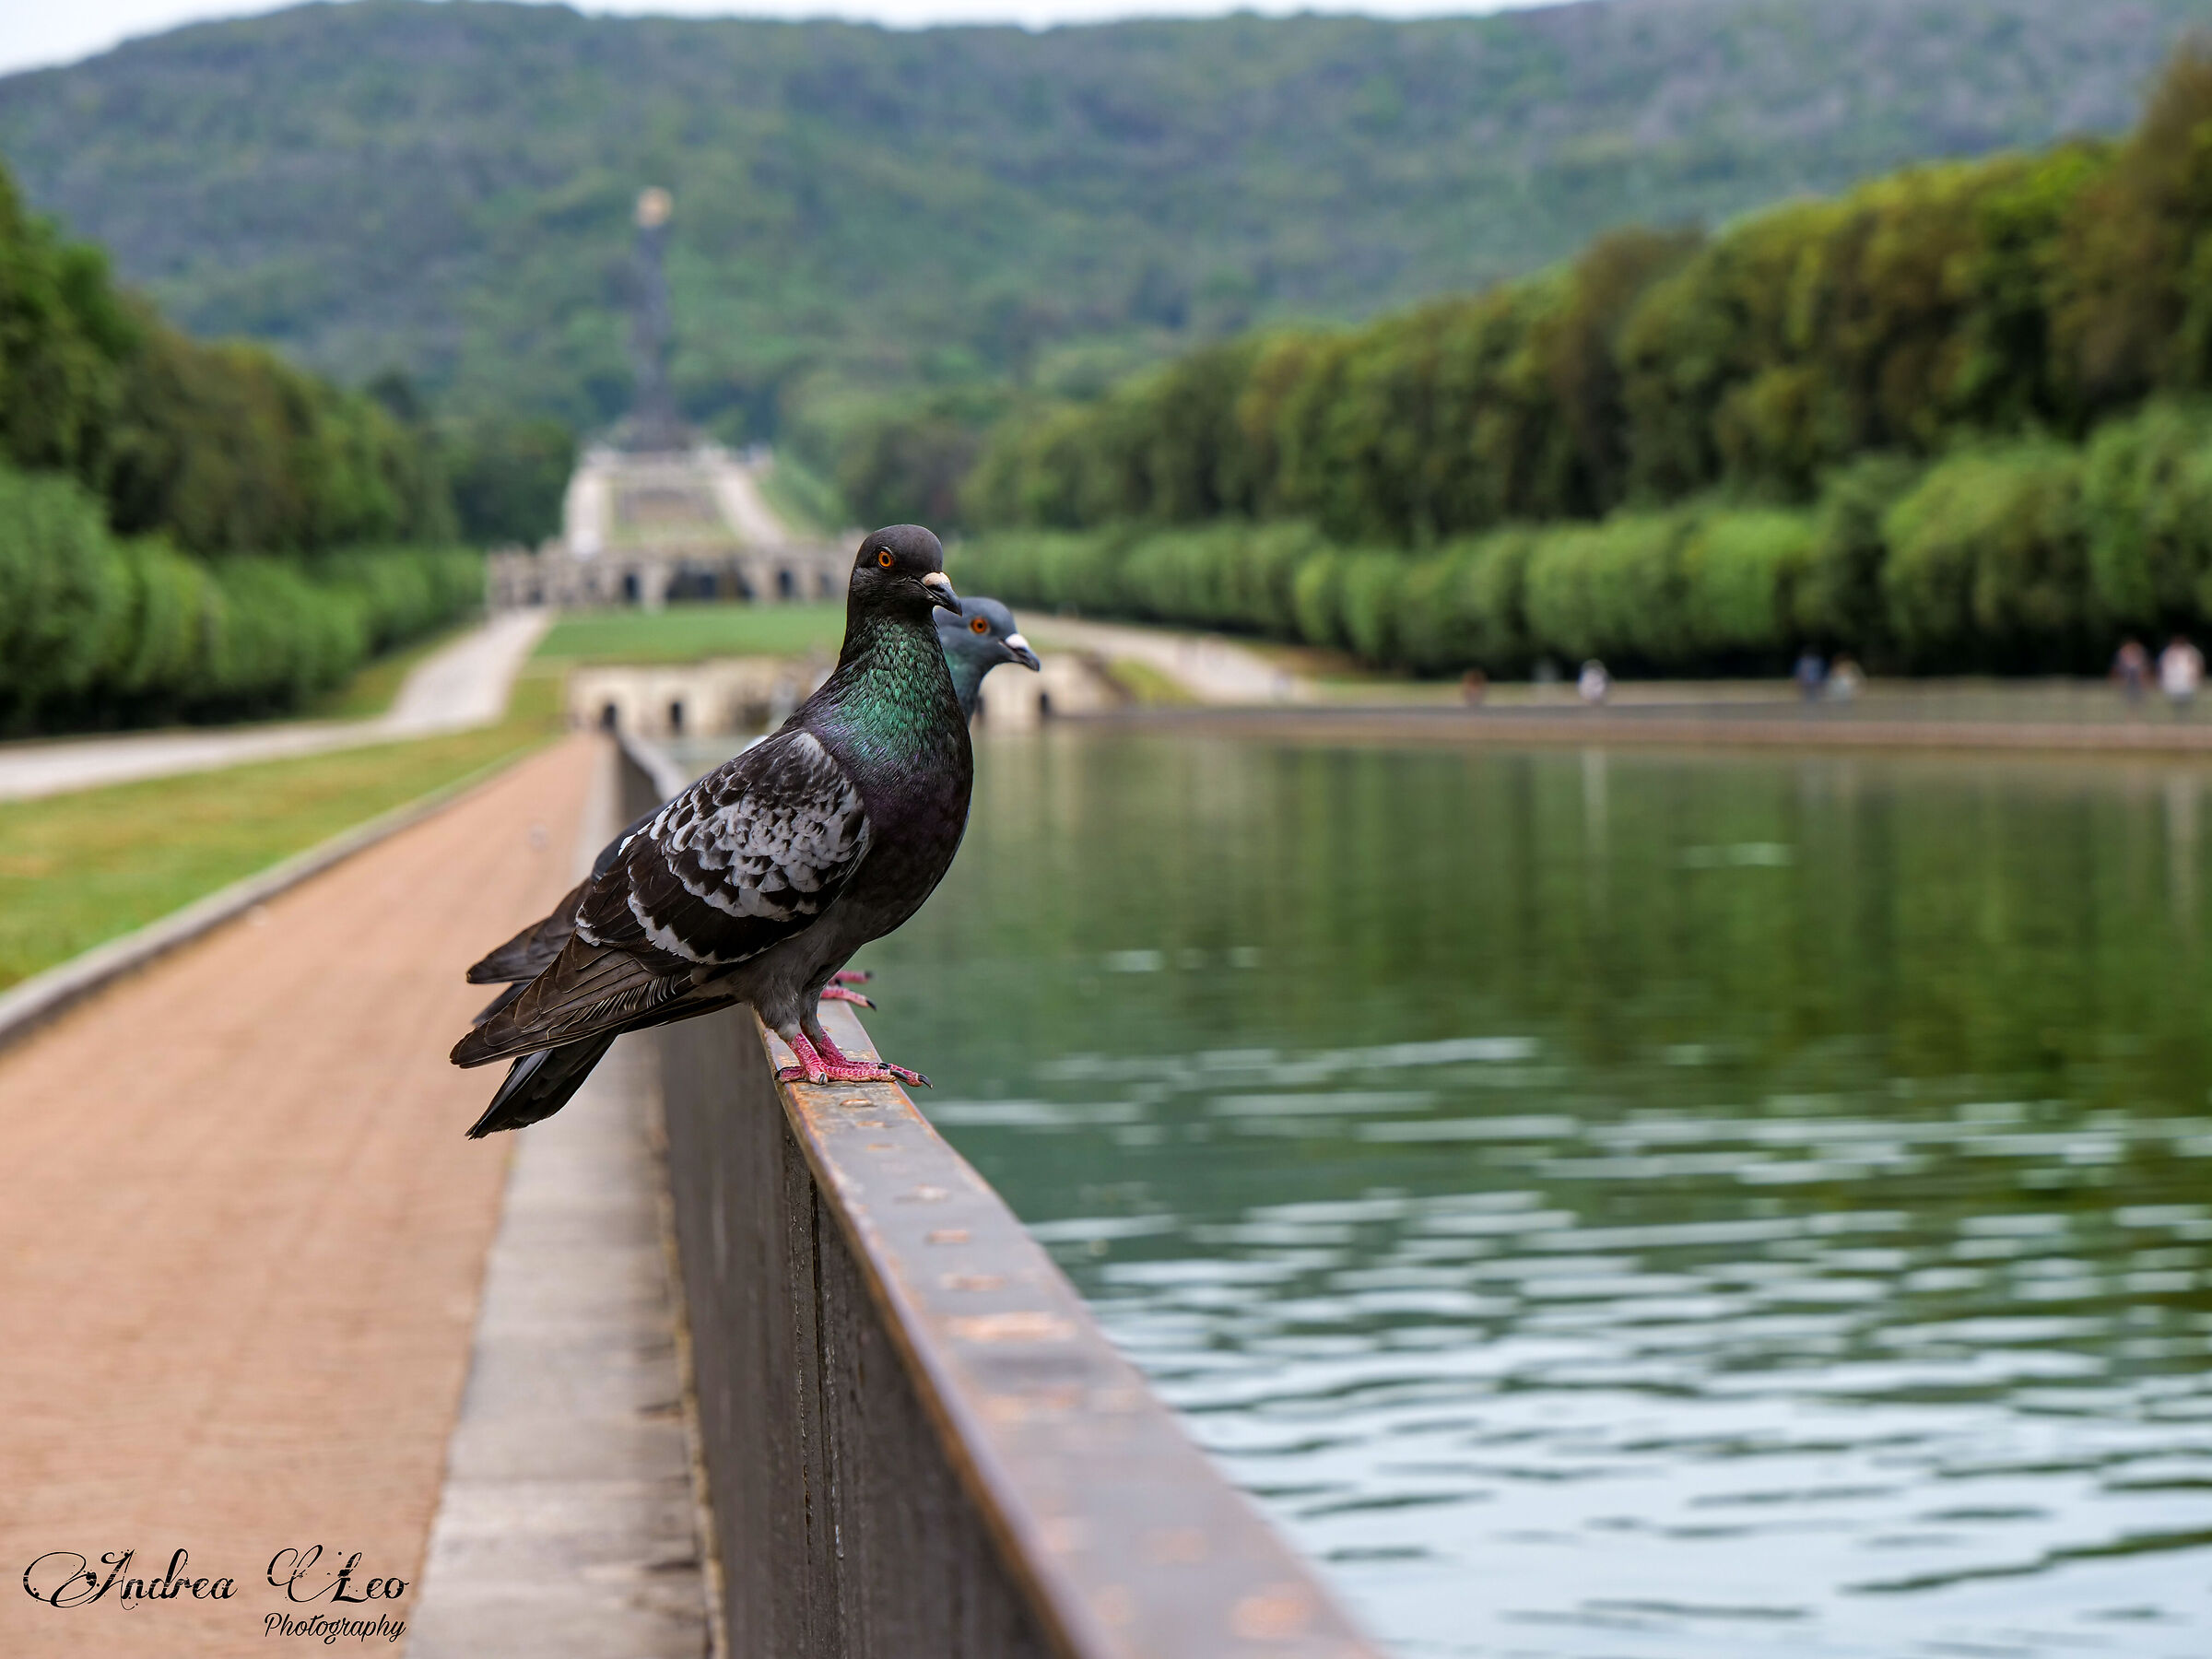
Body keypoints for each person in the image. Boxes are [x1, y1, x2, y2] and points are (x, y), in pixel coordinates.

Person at [2161, 636, 2204, 718]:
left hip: (2187, 680)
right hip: (2173, 681)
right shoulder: (2170, 652)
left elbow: (2198, 664)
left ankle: (2186, 716)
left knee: (2187, 700)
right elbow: (2164, 666)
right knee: (2175, 700)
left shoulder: (2191, 651)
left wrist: (2196, 676)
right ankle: (2178, 716)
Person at [2114, 638, 2149, 706]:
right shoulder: (2122, 655)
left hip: (2137, 682)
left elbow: (2144, 669)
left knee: (2138, 699)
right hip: (2127, 681)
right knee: (2128, 699)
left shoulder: (2140, 655)